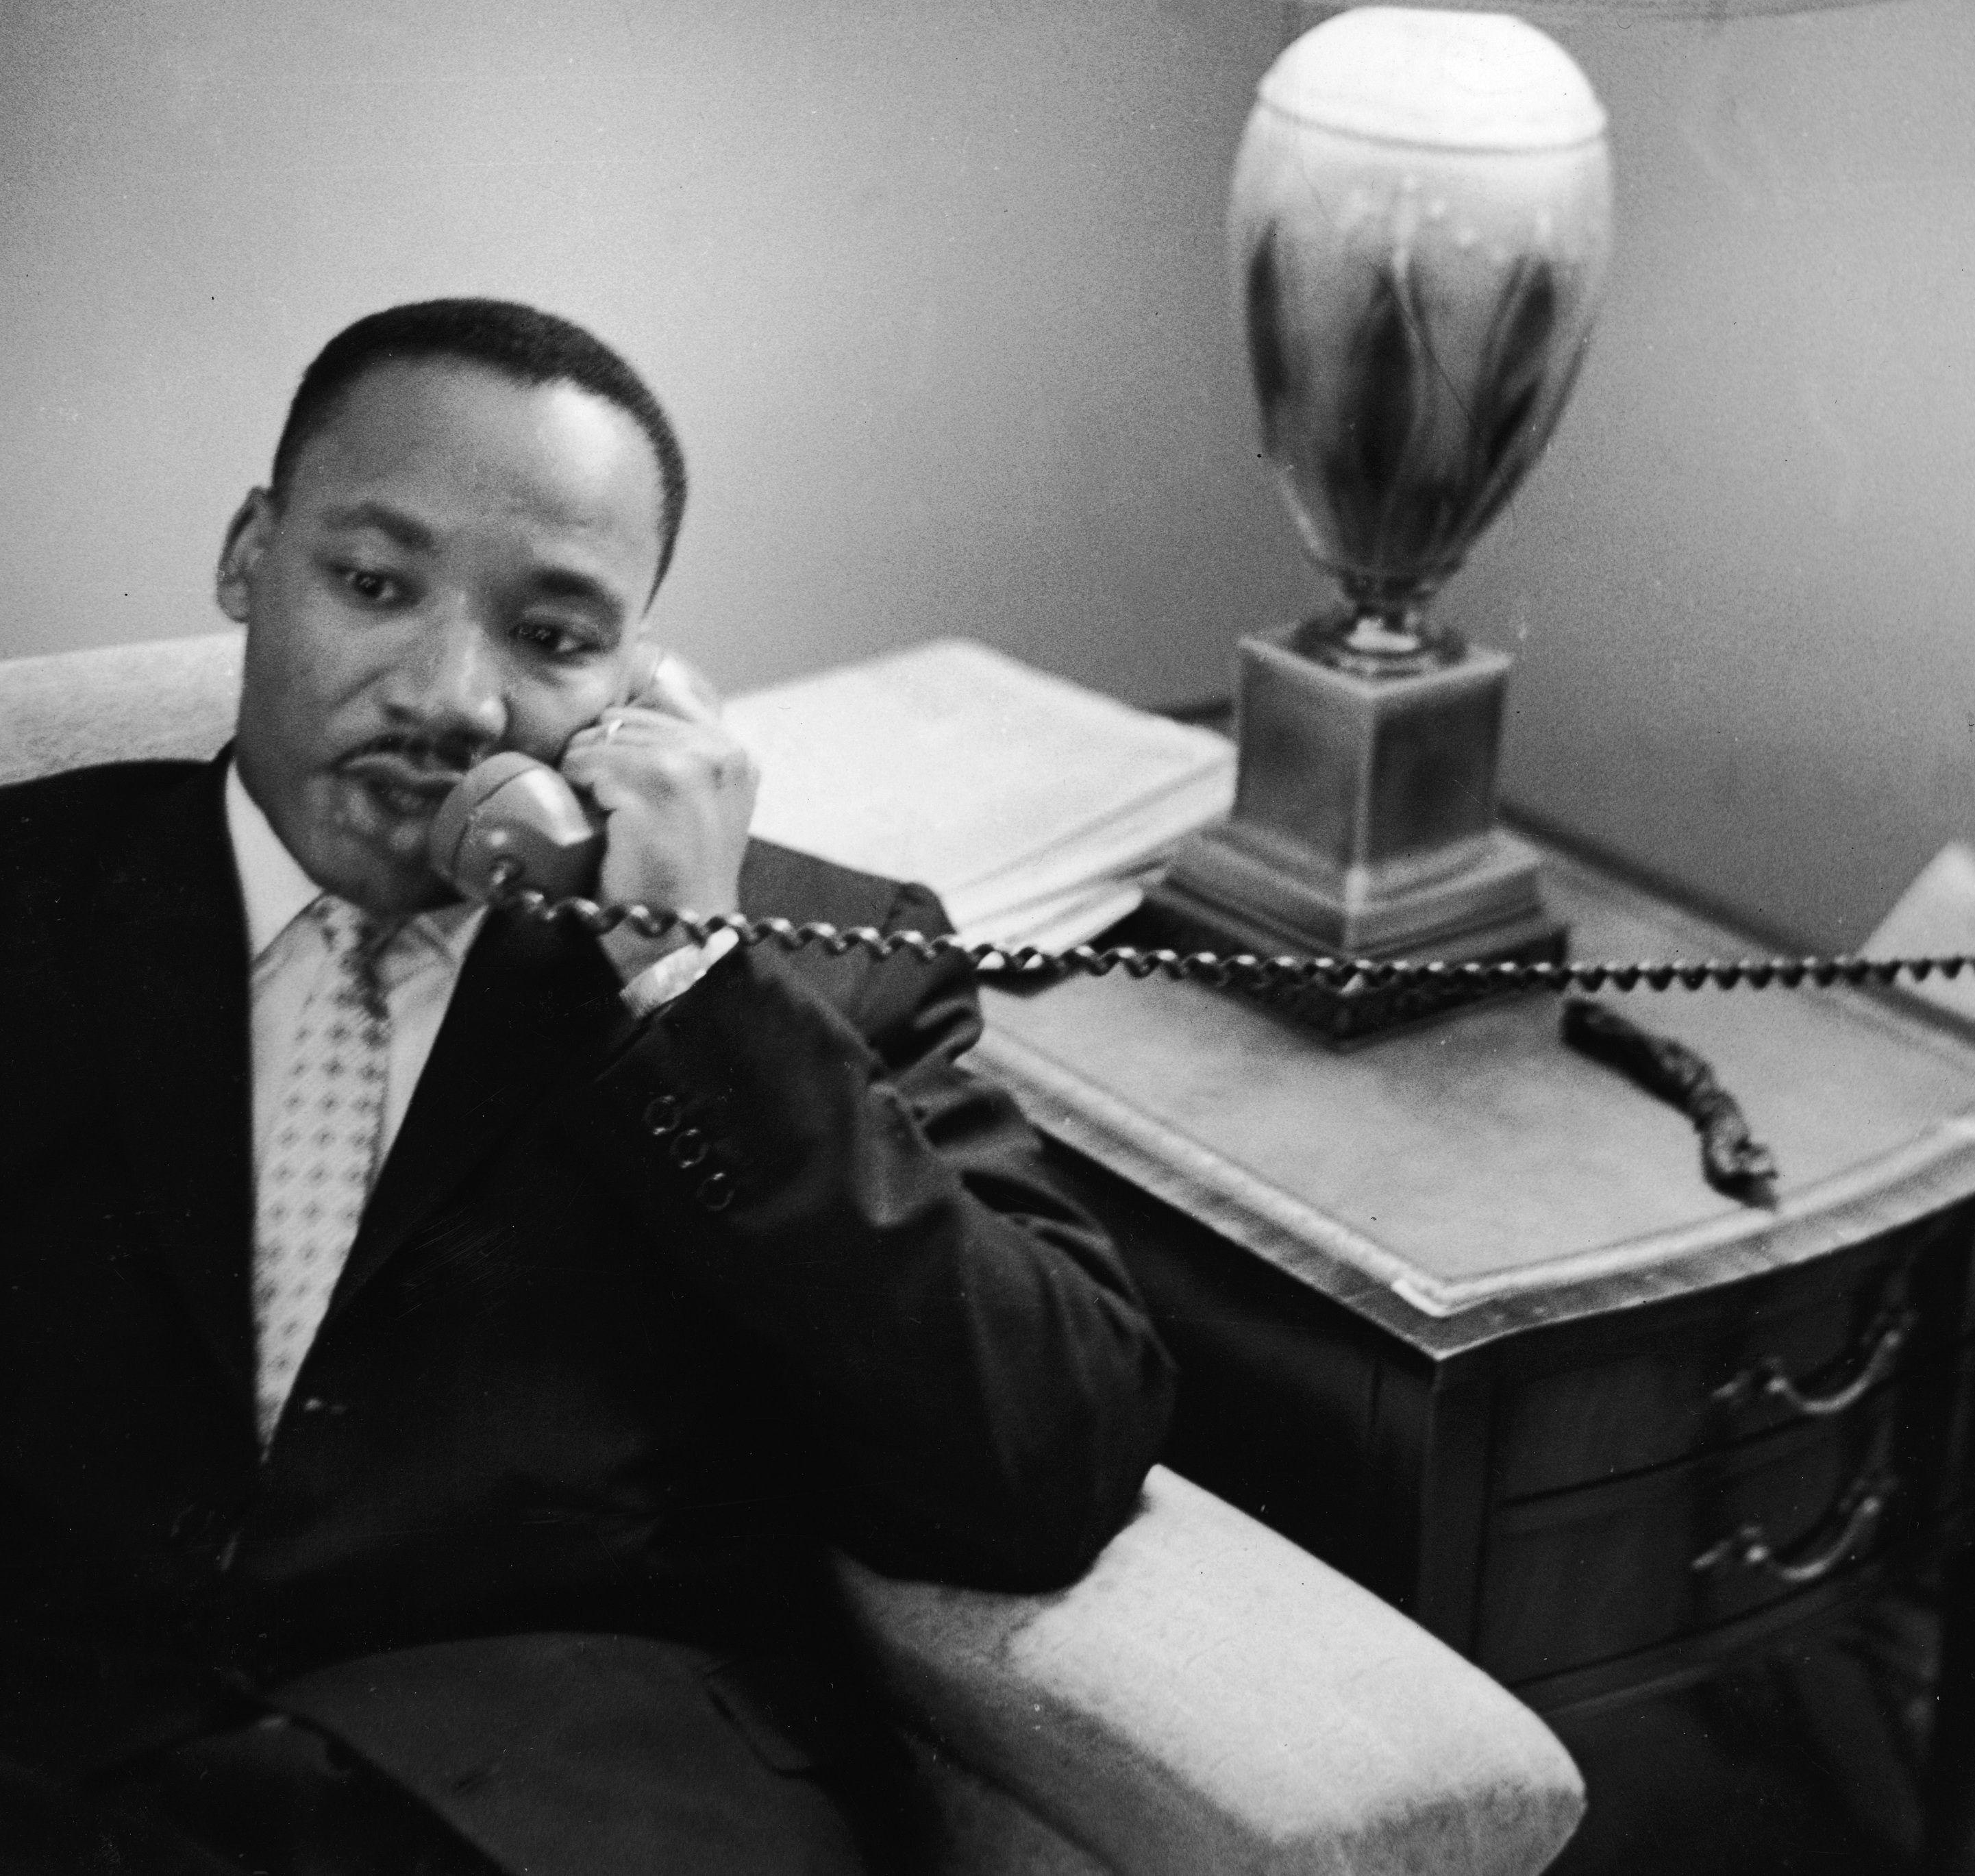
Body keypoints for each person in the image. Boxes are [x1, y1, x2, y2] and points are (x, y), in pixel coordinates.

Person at [0, 299, 1176, 1874]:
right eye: (372, 585)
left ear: (638, 682)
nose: (453, 701)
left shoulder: (799, 976)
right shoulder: (31, 899)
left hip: (556, 1821)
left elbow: (1046, 1466)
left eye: (551, 638)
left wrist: (693, 983)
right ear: (244, 558)